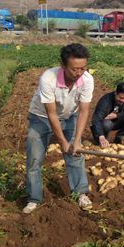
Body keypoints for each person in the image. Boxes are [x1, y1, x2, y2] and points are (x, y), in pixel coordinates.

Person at [23, 43, 94, 214]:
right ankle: (34, 199)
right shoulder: (48, 78)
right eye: (74, 69)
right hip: (42, 117)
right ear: (63, 66)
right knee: (34, 157)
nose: (79, 73)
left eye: (83, 68)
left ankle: (81, 193)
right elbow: (51, 114)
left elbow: (84, 111)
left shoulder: (87, 79)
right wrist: (62, 142)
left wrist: (76, 141)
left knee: (76, 154)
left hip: (70, 116)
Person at [90, 82, 124, 147]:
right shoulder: (105, 101)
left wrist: (117, 115)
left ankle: (120, 137)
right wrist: (101, 136)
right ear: (115, 93)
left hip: (115, 122)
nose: (123, 100)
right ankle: (101, 140)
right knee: (107, 124)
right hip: (102, 126)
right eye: (120, 98)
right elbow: (96, 120)